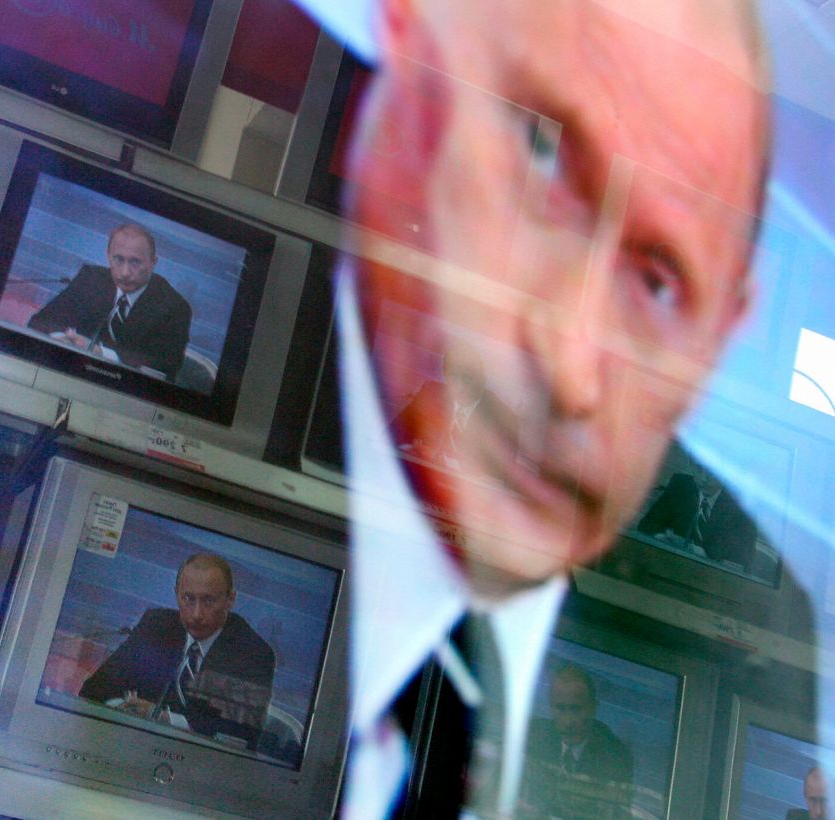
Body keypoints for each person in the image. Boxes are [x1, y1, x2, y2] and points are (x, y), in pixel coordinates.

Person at [274, 0, 819, 815]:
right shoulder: (277, 392)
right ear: (409, 40)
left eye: (658, 282)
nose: (571, 371)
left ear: (722, 337)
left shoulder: (782, 648)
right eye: (540, 152)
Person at [79, 553, 275, 750]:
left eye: (208, 601)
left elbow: (240, 737)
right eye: (188, 599)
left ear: (230, 600)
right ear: (176, 594)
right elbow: (93, 691)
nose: (196, 614)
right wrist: (122, 707)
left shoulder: (253, 654)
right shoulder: (156, 625)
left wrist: (163, 718)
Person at [26, 223, 192, 380]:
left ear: (153, 262)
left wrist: (102, 354)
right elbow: (39, 322)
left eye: (135, 262)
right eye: (118, 259)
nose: (125, 272)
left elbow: (164, 369)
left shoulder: (175, 308)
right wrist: (61, 339)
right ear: (108, 256)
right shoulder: (90, 279)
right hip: (71, 374)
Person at [522, 666, 634, 817]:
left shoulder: (615, 757)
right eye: (560, 708)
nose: (568, 721)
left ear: (593, 708)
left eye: (576, 709)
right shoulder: (532, 736)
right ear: (551, 706)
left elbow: (615, 814)